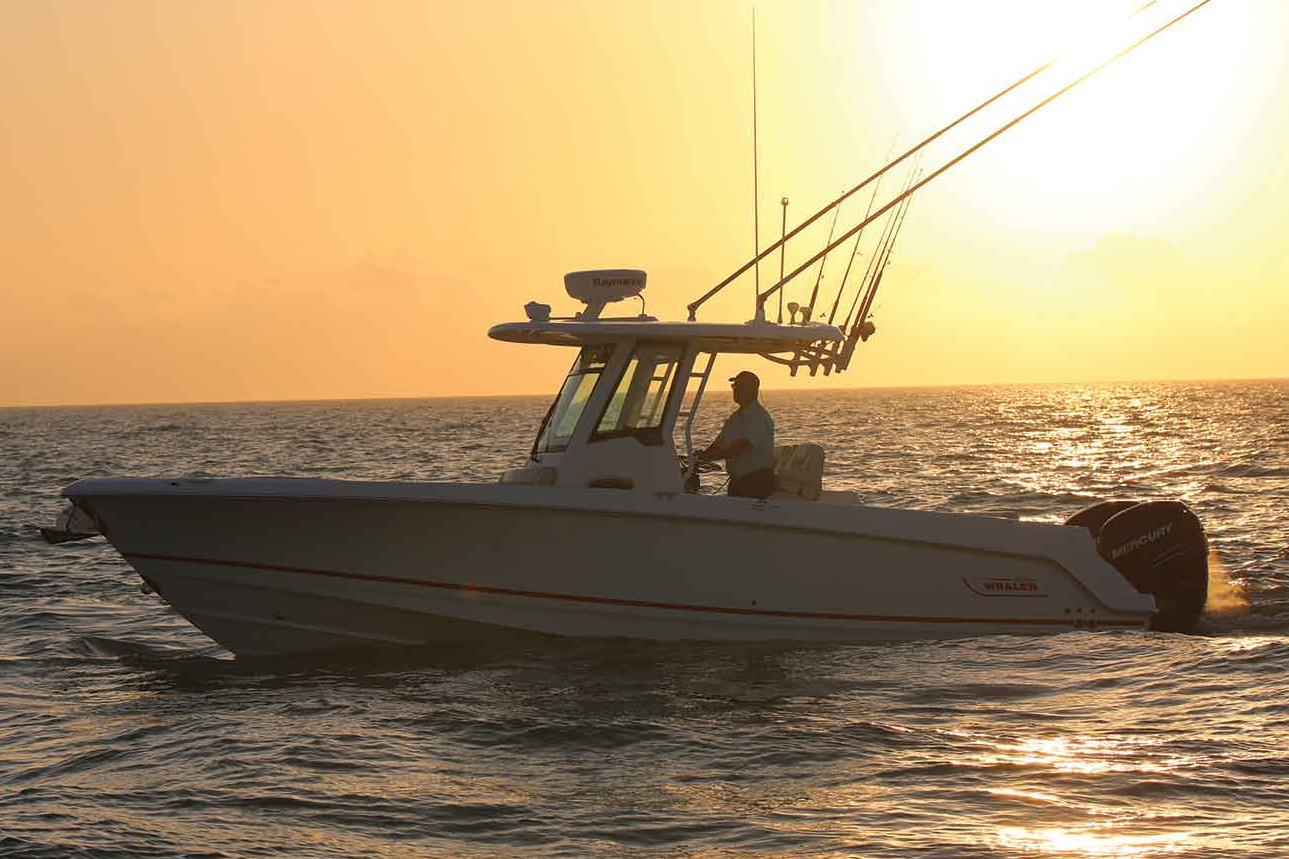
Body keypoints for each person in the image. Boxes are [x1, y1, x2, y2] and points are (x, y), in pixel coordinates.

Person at [697, 370, 777, 498]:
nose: (735, 390)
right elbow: (719, 444)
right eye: (734, 386)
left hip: (757, 484)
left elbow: (739, 448)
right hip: (738, 483)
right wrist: (701, 456)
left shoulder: (759, 418)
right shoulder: (734, 418)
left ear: (752, 390)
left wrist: (710, 457)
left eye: (739, 387)